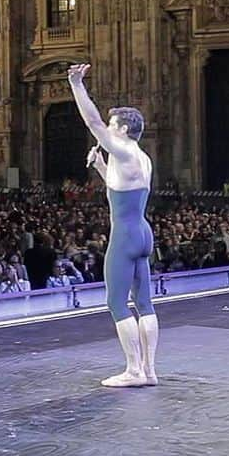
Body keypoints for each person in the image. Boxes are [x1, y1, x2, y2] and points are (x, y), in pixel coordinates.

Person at [69, 62, 158, 387]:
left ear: (121, 129)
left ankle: (133, 370)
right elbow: (122, 189)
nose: (107, 126)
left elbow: (91, 120)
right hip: (142, 232)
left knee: (116, 302)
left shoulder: (121, 147)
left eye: (112, 123)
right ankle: (148, 370)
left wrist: (77, 84)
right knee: (144, 303)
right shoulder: (140, 157)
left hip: (124, 234)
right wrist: (101, 167)